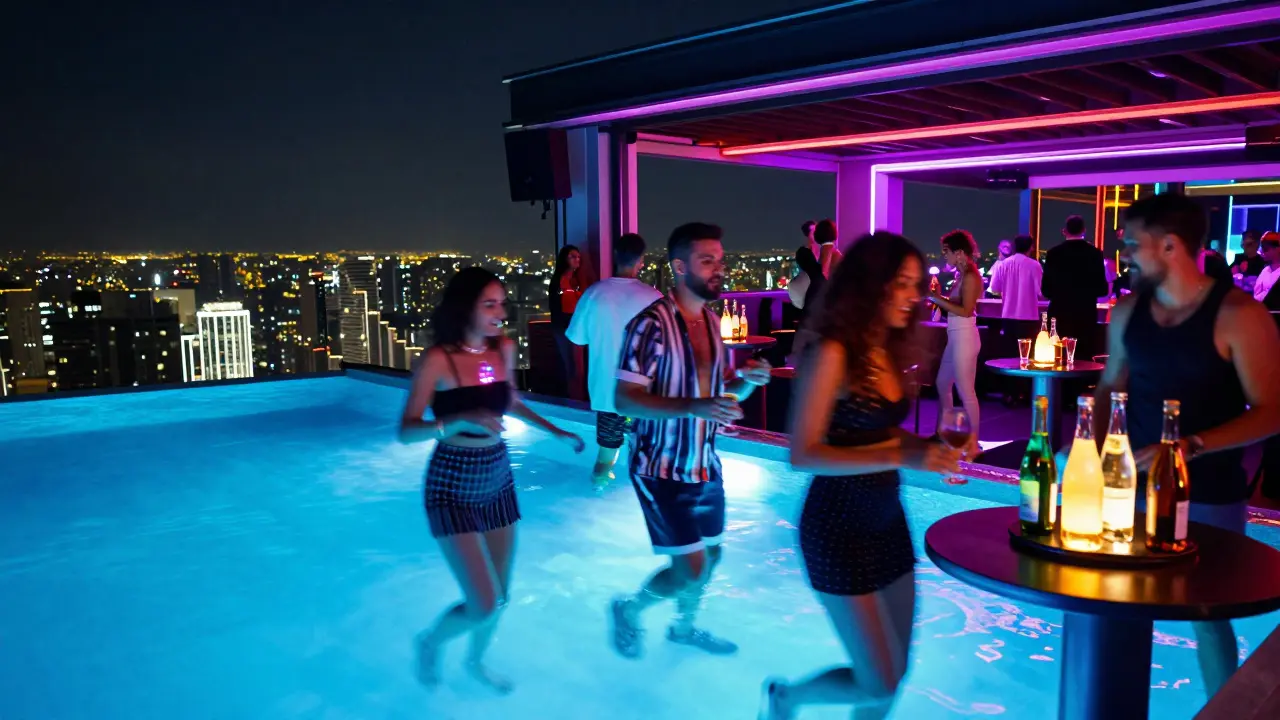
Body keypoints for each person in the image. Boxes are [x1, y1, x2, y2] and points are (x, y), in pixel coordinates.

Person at [759, 231, 961, 720]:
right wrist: (900, 453)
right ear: (871, 284)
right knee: (878, 677)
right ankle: (786, 699)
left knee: (892, 679)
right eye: (904, 284)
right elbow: (803, 454)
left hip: (887, 523)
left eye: (918, 284)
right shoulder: (833, 352)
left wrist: (929, 449)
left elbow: (883, 436)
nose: (916, 295)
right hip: (837, 528)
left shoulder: (884, 349)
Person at [1095, 193, 1280, 698]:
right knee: (1117, 600)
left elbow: (1272, 410)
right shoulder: (1127, 311)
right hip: (1129, 484)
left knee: (1206, 612)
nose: (1127, 254)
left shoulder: (1239, 314)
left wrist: (1191, 445)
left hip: (1210, 490)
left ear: (1171, 245)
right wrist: (1091, 454)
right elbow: (1111, 385)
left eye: (1134, 244)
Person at [401, 267, 586, 693]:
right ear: (465, 307)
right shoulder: (439, 360)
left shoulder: (504, 349)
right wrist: (458, 419)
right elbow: (407, 430)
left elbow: (511, 401)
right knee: (483, 602)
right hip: (451, 483)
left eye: (502, 302)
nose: (501, 311)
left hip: (497, 477)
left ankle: (475, 661)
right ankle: (430, 641)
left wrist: (555, 431)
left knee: (500, 596)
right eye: (490, 304)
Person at [608, 222, 772, 659]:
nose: (719, 268)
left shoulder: (713, 322)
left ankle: (683, 629)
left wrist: (749, 382)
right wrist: (694, 407)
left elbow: (720, 396)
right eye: (707, 260)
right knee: (692, 567)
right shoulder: (650, 326)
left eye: (720, 259)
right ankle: (630, 609)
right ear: (680, 267)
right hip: (660, 466)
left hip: (704, 463)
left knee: (710, 559)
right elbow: (624, 398)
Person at [565, 233, 663, 491]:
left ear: (615, 257)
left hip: (607, 393)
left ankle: (597, 494)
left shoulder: (594, 294)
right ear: (641, 260)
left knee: (606, 456)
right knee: (648, 457)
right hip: (643, 393)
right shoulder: (653, 297)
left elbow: (576, 339)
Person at [927, 230, 982, 455]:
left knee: (966, 390)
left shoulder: (970, 276)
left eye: (946, 252)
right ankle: (947, 432)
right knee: (942, 383)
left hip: (965, 336)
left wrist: (936, 298)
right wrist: (940, 296)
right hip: (956, 336)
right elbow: (958, 305)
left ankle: (972, 442)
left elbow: (966, 310)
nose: (944, 257)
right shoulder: (962, 275)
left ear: (959, 252)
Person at [1042, 215, 1109, 359]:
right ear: (1084, 230)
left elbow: (1045, 290)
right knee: (1084, 357)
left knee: (1058, 356)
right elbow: (1102, 289)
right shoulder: (1095, 254)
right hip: (1086, 314)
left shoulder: (1053, 254)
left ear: (1064, 231)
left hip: (1059, 313)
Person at [550, 245, 585, 400]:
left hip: (575, 326)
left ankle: (576, 396)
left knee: (576, 366)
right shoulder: (559, 281)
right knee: (569, 366)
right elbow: (561, 307)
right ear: (564, 259)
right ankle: (571, 398)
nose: (577, 259)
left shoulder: (576, 280)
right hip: (564, 327)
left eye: (578, 256)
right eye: (572, 256)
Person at [987, 234, 1043, 321]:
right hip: (1029, 317)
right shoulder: (1035, 265)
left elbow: (994, 288)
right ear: (1030, 247)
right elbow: (1041, 291)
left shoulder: (1002, 265)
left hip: (1007, 316)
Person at [1252, 234, 1280, 309]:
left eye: (1266, 249)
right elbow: (1256, 294)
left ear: (1277, 249)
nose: (1261, 252)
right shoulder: (1265, 270)